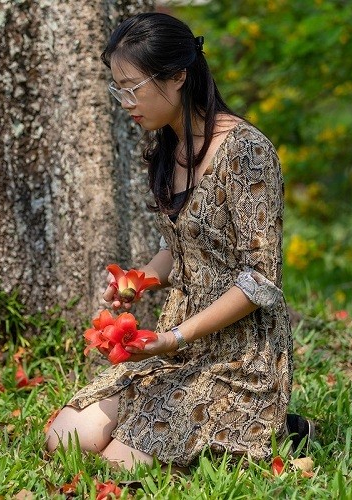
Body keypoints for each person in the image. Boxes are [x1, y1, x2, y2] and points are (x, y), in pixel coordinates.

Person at [45, 12, 313, 470]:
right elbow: (183, 244)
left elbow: (258, 280)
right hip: (180, 347)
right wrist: (138, 282)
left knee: (116, 465)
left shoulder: (246, 153)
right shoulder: (168, 146)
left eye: (132, 87)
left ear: (178, 76)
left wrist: (172, 338)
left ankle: (277, 427)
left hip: (237, 357)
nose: (125, 102)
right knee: (65, 439)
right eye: (117, 89)